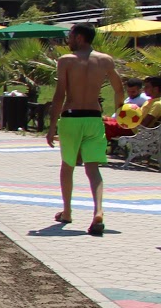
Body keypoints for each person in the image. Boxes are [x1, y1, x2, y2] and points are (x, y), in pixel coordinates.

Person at [47, 23, 125, 235]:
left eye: (71, 35)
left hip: (72, 117)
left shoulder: (66, 61)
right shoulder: (105, 60)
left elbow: (59, 95)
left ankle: (67, 211)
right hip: (93, 117)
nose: (68, 39)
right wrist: (121, 113)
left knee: (68, 166)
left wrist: (52, 126)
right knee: (93, 169)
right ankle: (98, 211)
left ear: (80, 37)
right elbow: (119, 89)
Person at [104, 78, 149, 142]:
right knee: (101, 119)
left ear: (140, 90)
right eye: (128, 91)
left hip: (128, 126)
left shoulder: (144, 99)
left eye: (133, 92)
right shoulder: (129, 99)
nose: (130, 94)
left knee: (105, 125)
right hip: (119, 121)